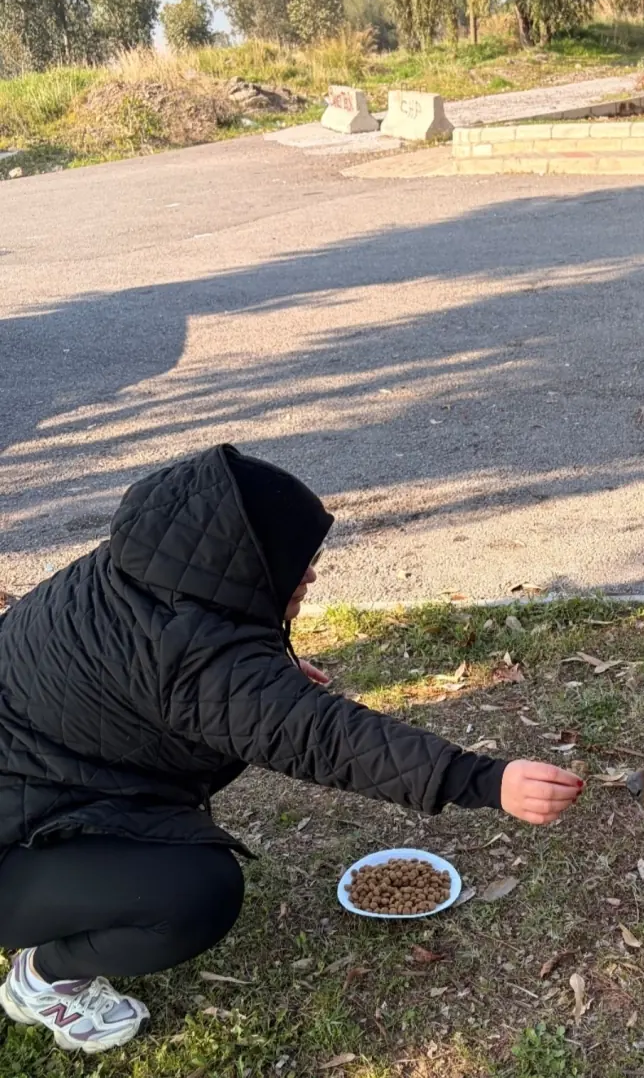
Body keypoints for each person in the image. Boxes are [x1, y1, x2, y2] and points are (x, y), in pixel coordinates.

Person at [0, 444, 582, 1054]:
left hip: (42, 785)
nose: (309, 576)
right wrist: (487, 780)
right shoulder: (198, 659)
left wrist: (264, 675)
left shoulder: (135, 574)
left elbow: (171, 674)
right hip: (14, 843)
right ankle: (41, 979)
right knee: (195, 894)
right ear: (239, 564)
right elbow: (327, 739)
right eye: (294, 564)